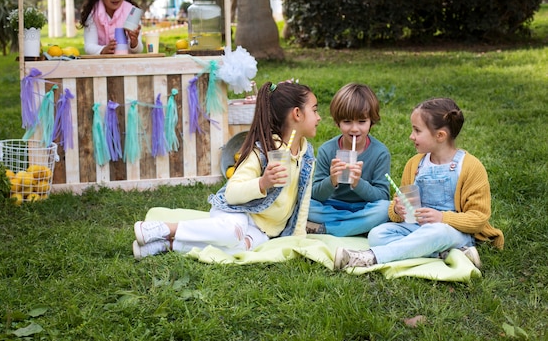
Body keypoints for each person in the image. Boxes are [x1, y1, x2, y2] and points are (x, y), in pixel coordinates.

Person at [132, 81, 321, 259]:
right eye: (314, 110)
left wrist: (299, 241)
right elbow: (232, 194)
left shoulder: (306, 157)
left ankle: (166, 245)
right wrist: (263, 183)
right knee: (232, 233)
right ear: (297, 114)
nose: (319, 117)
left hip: (265, 229)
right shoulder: (263, 152)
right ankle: (165, 229)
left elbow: (303, 202)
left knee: (242, 247)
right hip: (238, 211)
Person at [335, 98, 504, 270]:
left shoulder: (470, 167)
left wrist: (442, 218)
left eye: (417, 130)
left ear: (440, 136)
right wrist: (397, 209)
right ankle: (448, 253)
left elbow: (479, 218)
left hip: (453, 231)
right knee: (377, 235)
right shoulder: (415, 164)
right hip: (416, 227)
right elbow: (398, 204)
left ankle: (370, 258)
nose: (411, 136)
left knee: (437, 232)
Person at [306, 83, 391, 236]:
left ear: (371, 121)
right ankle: (357, 226)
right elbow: (315, 194)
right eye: (347, 121)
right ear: (338, 122)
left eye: (361, 121)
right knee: (304, 204)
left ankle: (327, 229)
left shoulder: (380, 153)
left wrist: (358, 183)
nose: (354, 129)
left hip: (364, 207)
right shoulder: (327, 150)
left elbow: (382, 196)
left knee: (385, 209)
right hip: (331, 207)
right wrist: (332, 180)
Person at [79, 0, 143, 55]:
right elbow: (89, 46)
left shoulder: (131, 12)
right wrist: (103, 50)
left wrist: (134, 42)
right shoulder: (93, 14)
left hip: (126, 65)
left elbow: (138, 49)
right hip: (102, 65)